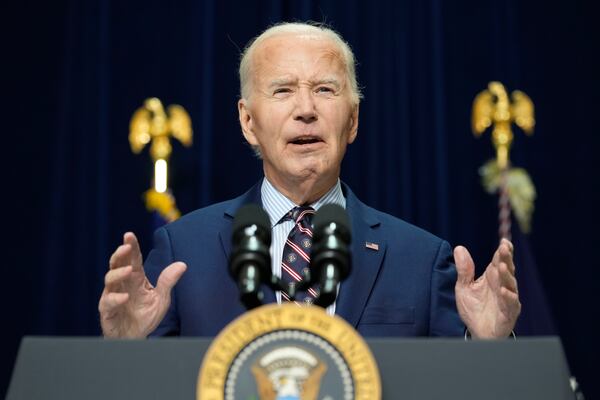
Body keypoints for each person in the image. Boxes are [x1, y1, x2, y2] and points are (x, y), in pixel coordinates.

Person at [99, 22, 520, 339]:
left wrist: (486, 347)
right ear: (248, 121)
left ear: (352, 120)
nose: (306, 109)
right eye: (283, 90)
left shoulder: (421, 259)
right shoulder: (183, 251)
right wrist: (128, 350)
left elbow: (451, 383)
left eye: (324, 89)